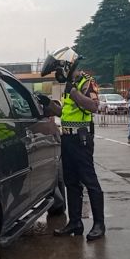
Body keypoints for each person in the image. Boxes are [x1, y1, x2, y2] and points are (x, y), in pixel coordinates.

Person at [49, 69, 106, 241]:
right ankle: (75, 222)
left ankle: (99, 224)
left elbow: (93, 106)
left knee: (90, 181)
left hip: (81, 138)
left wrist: (73, 92)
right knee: (71, 182)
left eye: (60, 69)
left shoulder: (86, 82)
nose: (58, 73)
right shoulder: (69, 85)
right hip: (67, 137)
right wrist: (50, 106)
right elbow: (64, 113)